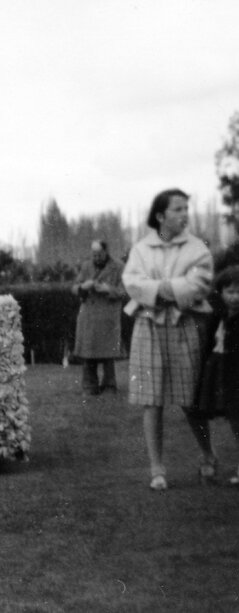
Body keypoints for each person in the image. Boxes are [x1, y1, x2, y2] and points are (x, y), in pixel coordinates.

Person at [122, 188, 213, 491]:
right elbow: (132, 282)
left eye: (186, 208)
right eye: (178, 209)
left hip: (183, 324)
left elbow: (200, 282)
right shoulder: (141, 249)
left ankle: (208, 454)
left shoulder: (196, 248)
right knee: (152, 401)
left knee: (190, 400)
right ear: (160, 215)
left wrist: (161, 289)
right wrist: (166, 289)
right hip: (148, 326)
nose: (184, 214)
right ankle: (157, 469)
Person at [192, 265, 239, 485]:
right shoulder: (217, 316)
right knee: (231, 417)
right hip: (219, 370)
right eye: (230, 292)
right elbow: (209, 343)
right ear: (221, 292)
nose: (235, 297)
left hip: (235, 371)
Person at [71, 240, 125, 395]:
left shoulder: (119, 267)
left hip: (108, 316)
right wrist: (83, 287)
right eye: (94, 254)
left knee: (108, 353)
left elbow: (125, 290)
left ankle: (109, 385)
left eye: (99, 254)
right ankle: (89, 386)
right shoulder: (86, 266)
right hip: (88, 315)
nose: (96, 257)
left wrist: (108, 289)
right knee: (88, 352)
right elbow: (74, 287)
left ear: (106, 252)